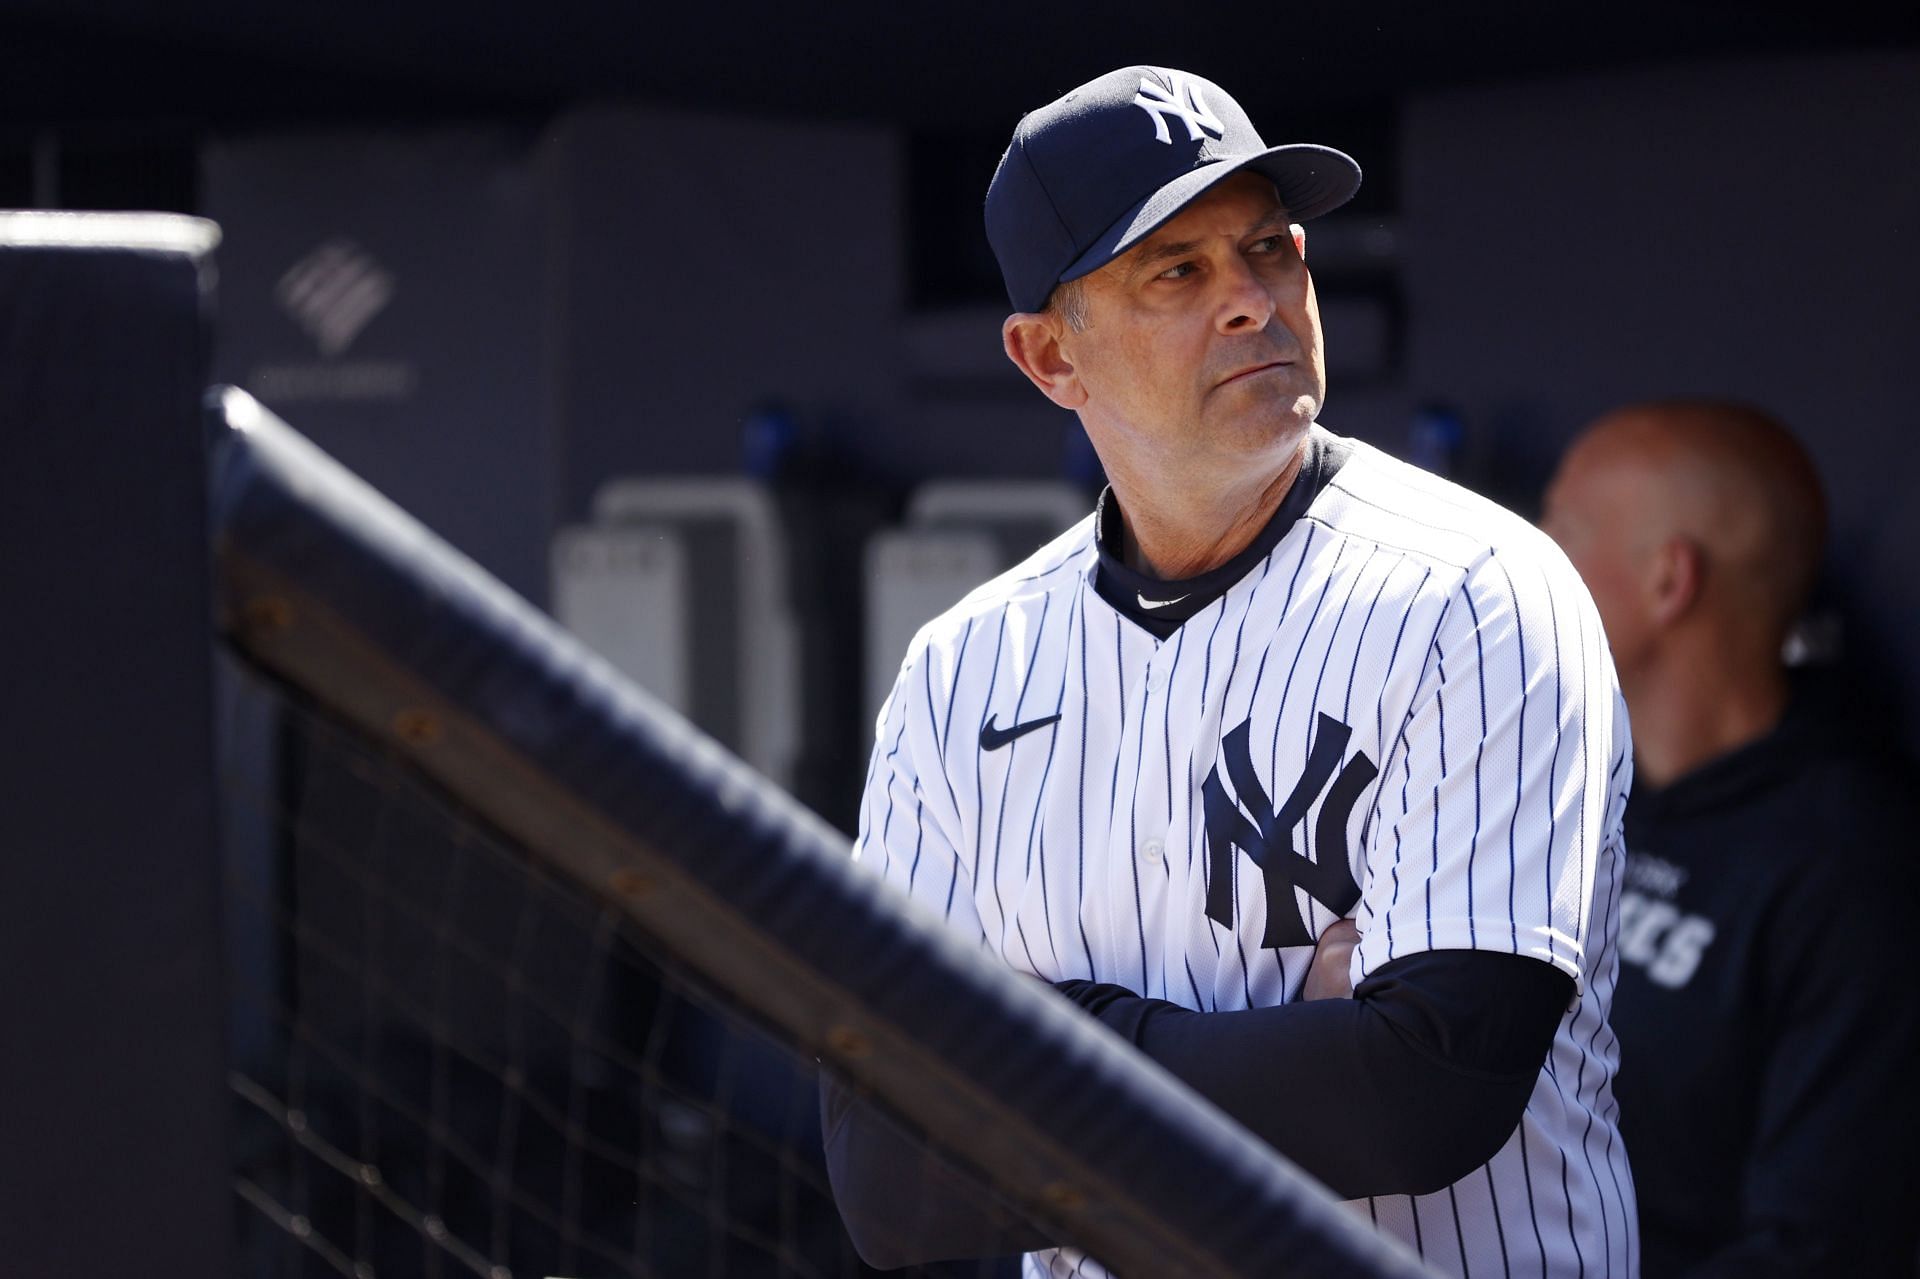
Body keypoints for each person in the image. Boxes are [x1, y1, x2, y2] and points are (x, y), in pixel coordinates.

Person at [828, 65, 1637, 1277]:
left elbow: (1424, 1090)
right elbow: (889, 1183)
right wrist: (1284, 1041)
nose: (1254, 301)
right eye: (1179, 271)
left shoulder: (1475, 591)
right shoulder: (960, 677)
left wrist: (1037, 1053)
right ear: (1051, 357)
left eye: (1271, 250)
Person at [1540, 399, 1920, 1276]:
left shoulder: (1852, 864)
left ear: (1671, 581)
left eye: (1564, 528)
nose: (1527, 559)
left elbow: (1822, 1247)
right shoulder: (1559, 780)